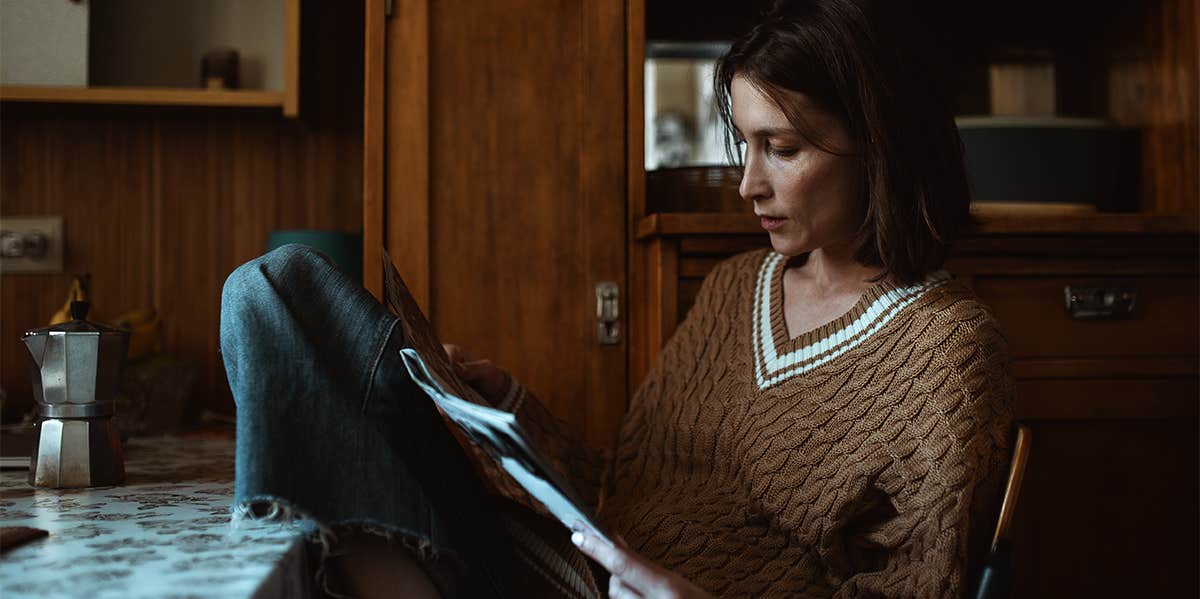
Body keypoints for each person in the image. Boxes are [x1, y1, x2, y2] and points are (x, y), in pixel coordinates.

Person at [220, 0, 1013, 597]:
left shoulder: (946, 350)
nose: (748, 183)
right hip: (563, 556)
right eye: (745, 144)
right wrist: (510, 405)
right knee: (277, 289)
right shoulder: (739, 287)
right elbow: (620, 481)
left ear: (880, 145)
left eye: (784, 148)